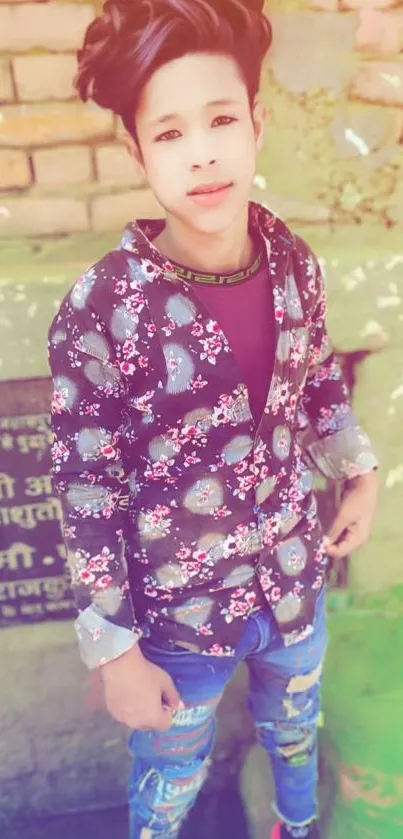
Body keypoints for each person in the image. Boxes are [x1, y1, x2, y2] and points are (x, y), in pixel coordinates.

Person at [48, 0, 379, 836]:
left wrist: (358, 471)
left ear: (257, 123)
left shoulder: (294, 264)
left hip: (294, 581)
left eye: (221, 118)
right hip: (176, 617)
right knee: (169, 777)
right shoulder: (103, 309)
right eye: (168, 133)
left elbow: (316, 391)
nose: (201, 153)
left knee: (296, 743)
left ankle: (294, 831)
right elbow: (85, 490)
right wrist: (114, 650)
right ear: (135, 149)